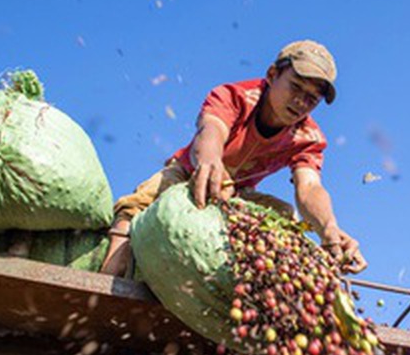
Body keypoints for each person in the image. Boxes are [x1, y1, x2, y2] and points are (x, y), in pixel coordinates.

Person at [99, 40, 367, 276]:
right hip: (189, 173)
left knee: (286, 218)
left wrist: (329, 229)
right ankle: (109, 278)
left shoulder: (308, 136)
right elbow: (211, 130)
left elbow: (309, 187)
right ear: (273, 75)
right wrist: (211, 162)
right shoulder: (235, 97)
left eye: (311, 98)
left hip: (238, 196)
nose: (300, 102)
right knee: (140, 202)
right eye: (295, 87)